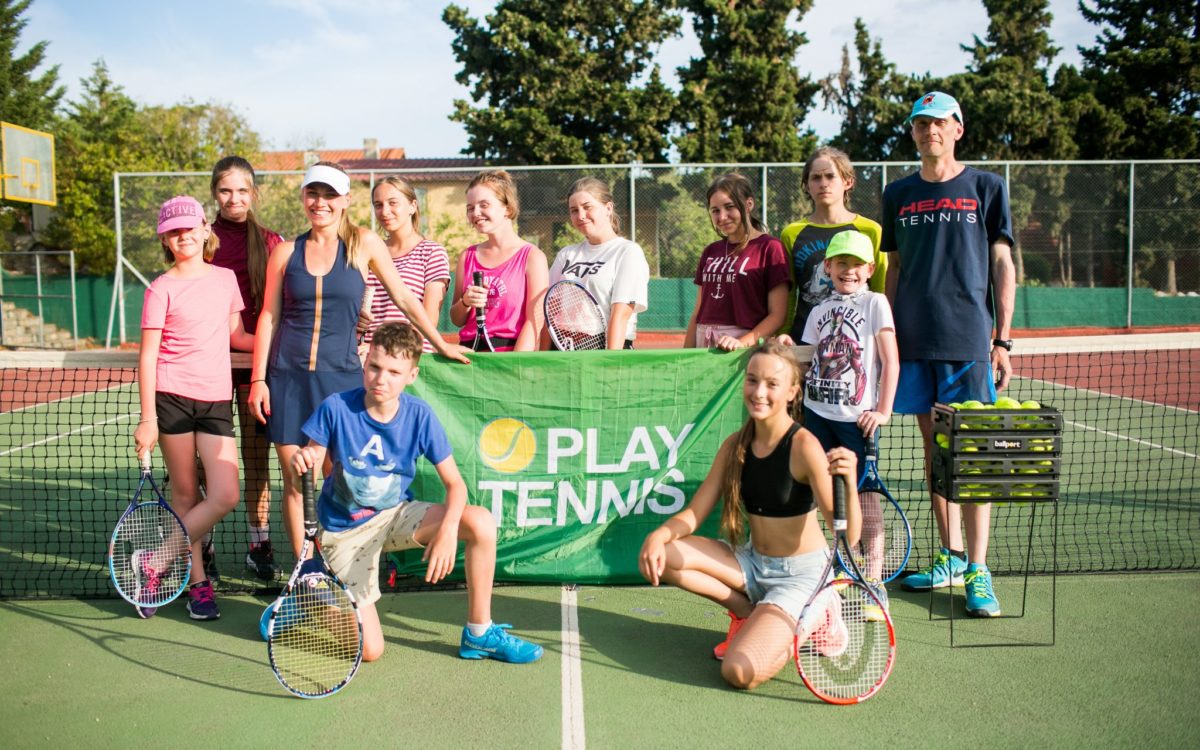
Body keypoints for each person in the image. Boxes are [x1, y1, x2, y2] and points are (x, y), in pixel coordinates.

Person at [248, 162, 469, 560]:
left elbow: (404, 298)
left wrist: (441, 342)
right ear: (304, 198)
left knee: (339, 480)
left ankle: (339, 562)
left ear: (346, 201)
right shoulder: (284, 252)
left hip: (342, 381)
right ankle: (307, 572)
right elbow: (269, 316)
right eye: (313, 194)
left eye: (330, 195)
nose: (321, 203)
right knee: (298, 481)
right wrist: (258, 380)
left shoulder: (365, 243)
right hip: (287, 379)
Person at [287, 322, 543, 664]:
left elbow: (456, 485)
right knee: (371, 650)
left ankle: (479, 633)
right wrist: (302, 459)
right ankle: (310, 598)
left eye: (394, 371)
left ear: (412, 375)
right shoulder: (336, 408)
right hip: (345, 531)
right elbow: (312, 459)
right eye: (375, 367)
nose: (381, 378)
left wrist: (450, 530)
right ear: (365, 364)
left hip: (394, 516)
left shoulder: (419, 415)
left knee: (479, 522)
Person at [638, 342, 861, 690]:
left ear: (791, 392)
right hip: (753, 564)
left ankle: (820, 616)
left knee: (738, 672)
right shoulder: (734, 446)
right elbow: (695, 514)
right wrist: (659, 536)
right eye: (752, 380)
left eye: (772, 384)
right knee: (659, 556)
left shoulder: (804, 447)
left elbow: (846, 534)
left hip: (800, 578)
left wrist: (848, 480)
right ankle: (747, 613)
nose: (759, 392)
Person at [883, 91, 1016, 617]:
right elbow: (892, 269)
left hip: (968, 342)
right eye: (920, 124)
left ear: (957, 129)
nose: (928, 131)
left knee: (972, 458)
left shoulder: (987, 187)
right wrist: (886, 334)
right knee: (936, 456)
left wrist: (1002, 338)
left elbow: (1002, 264)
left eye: (938, 123)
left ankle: (979, 568)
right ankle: (950, 555)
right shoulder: (897, 193)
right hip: (913, 343)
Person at [133, 195, 256, 620]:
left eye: (189, 227)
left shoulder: (224, 279)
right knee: (186, 495)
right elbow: (148, 356)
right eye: (173, 231)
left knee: (225, 495)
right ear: (165, 240)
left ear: (206, 230)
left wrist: (284, 342)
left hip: (216, 399)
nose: (183, 236)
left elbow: (238, 337)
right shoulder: (160, 288)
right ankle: (198, 584)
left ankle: (157, 561)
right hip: (171, 399)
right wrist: (147, 418)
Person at [795, 230, 899, 618]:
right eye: (841, 263)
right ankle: (834, 567)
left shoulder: (876, 303)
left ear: (870, 269)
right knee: (820, 494)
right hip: (816, 416)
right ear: (828, 267)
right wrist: (789, 355)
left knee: (865, 498)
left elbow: (891, 361)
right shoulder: (819, 310)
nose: (849, 271)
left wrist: (882, 411)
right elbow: (807, 359)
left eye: (856, 264)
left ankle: (872, 581)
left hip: (856, 421)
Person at [209, 156, 286, 582]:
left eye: (242, 190)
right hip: (210, 370)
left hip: (257, 369)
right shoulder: (203, 240)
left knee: (257, 462)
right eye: (226, 190)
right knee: (210, 464)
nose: (234, 198)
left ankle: (259, 546)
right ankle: (205, 548)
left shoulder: (271, 241)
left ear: (254, 193)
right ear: (215, 194)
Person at [778, 146, 887, 342]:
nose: (823, 184)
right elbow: (789, 294)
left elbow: (880, 289)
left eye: (830, 176)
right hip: (805, 339)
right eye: (816, 178)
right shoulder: (791, 234)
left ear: (848, 182)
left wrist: (882, 338)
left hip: (857, 339)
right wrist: (783, 334)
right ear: (807, 185)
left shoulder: (870, 230)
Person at [683, 173, 790, 351]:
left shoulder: (770, 248)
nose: (722, 217)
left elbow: (777, 315)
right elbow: (698, 312)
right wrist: (684, 359)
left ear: (749, 204)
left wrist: (742, 343)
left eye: (729, 207)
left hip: (742, 349)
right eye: (715, 210)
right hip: (703, 345)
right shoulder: (711, 251)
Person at [449, 170, 548, 352]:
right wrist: (465, 301)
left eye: (483, 205)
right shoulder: (467, 256)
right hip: (470, 356)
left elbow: (534, 320)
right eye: (470, 208)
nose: (476, 213)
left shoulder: (532, 256)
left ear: (507, 209)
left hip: (510, 356)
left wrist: (514, 365)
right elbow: (456, 319)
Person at [545, 177, 649, 350]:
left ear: (608, 208)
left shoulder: (628, 252)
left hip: (605, 349)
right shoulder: (566, 254)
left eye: (587, 207)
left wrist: (608, 363)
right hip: (562, 348)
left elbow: (620, 315)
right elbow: (548, 311)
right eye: (574, 210)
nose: (581, 216)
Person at [359, 176, 451, 354]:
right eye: (378, 205)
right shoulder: (367, 251)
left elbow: (429, 320)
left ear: (412, 206)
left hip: (407, 355)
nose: (385, 211)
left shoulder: (432, 252)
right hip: (363, 354)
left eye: (393, 203)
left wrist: (381, 348)